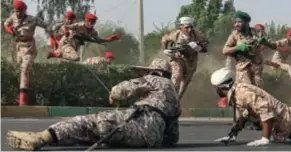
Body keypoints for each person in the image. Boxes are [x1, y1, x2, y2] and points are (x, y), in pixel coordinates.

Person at [5, 59, 181, 150]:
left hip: (139, 122)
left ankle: (41, 137)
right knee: (96, 133)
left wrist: (113, 96)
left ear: (155, 71)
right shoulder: (173, 93)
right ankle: (55, 138)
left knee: (86, 122)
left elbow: (122, 89)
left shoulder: (154, 80)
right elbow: (172, 136)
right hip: (151, 138)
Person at [3, 0, 54, 105]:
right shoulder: (12, 17)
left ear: (24, 11)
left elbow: (47, 26)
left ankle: (23, 100)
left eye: (20, 11)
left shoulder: (32, 19)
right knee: (17, 70)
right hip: (18, 48)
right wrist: (9, 29)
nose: (18, 13)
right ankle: (16, 95)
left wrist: (52, 38)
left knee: (24, 69)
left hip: (29, 48)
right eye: (16, 11)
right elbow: (5, 24)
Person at [222, 11, 277, 88]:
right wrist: (238, 47)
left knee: (258, 90)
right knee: (246, 89)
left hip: (256, 69)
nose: (236, 24)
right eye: (235, 22)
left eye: (239, 22)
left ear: (246, 22)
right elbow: (225, 50)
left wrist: (266, 42)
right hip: (242, 67)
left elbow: (274, 46)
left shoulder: (258, 33)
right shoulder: (235, 34)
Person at [161, 16, 209, 100]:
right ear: (181, 27)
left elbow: (205, 48)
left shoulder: (198, 35)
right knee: (177, 76)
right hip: (178, 58)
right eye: (187, 27)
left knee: (185, 83)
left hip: (191, 60)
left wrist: (198, 48)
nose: (189, 30)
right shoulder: (176, 34)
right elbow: (164, 39)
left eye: (191, 27)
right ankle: (170, 98)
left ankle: (177, 100)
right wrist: (165, 50)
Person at [47, 13, 120, 61]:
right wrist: (66, 31)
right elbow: (64, 26)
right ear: (86, 21)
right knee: (76, 58)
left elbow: (98, 40)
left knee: (71, 61)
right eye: (91, 22)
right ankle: (57, 54)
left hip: (74, 46)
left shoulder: (93, 32)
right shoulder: (79, 25)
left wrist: (109, 39)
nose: (92, 24)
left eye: (94, 22)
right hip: (66, 43)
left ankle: (56, 54)